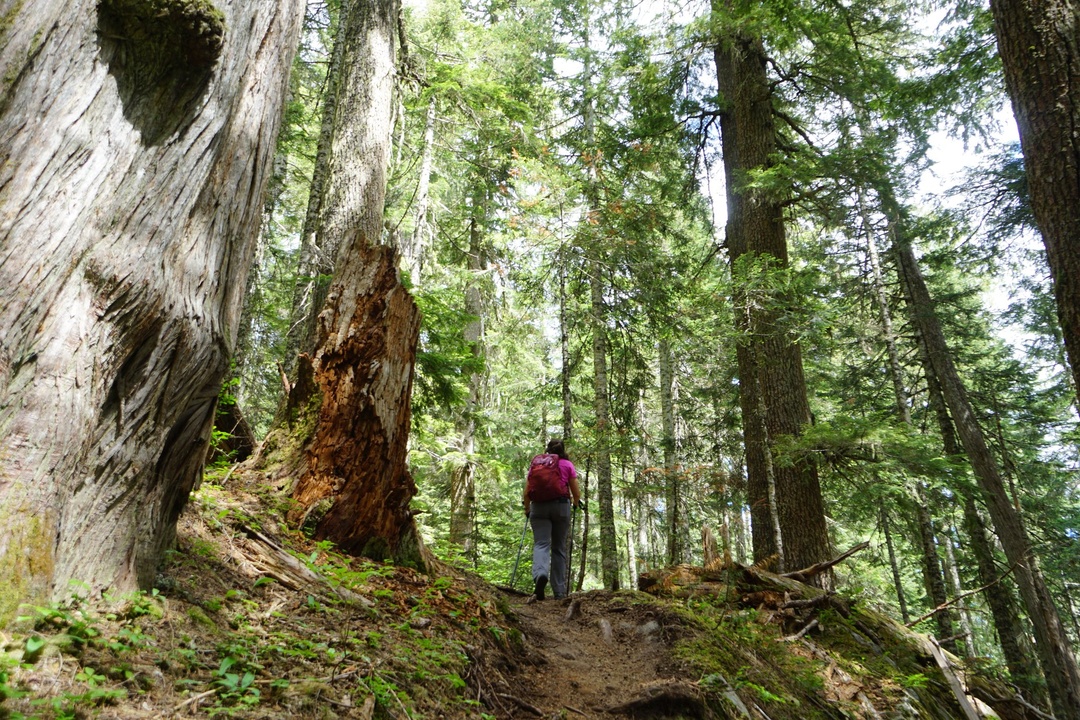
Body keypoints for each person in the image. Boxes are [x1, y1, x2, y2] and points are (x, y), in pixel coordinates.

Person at [523, 438, 581, 601]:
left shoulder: (538, 465)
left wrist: (527, 509)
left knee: (541, 544)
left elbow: (527, 491)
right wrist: (575, 503)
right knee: (559, 548)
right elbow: (576, 492)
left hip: (539, 507)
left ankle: (540, 574)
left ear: (547, 450)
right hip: (561, 507)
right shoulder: (567, 465)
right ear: (563, 450)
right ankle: (559, 591)